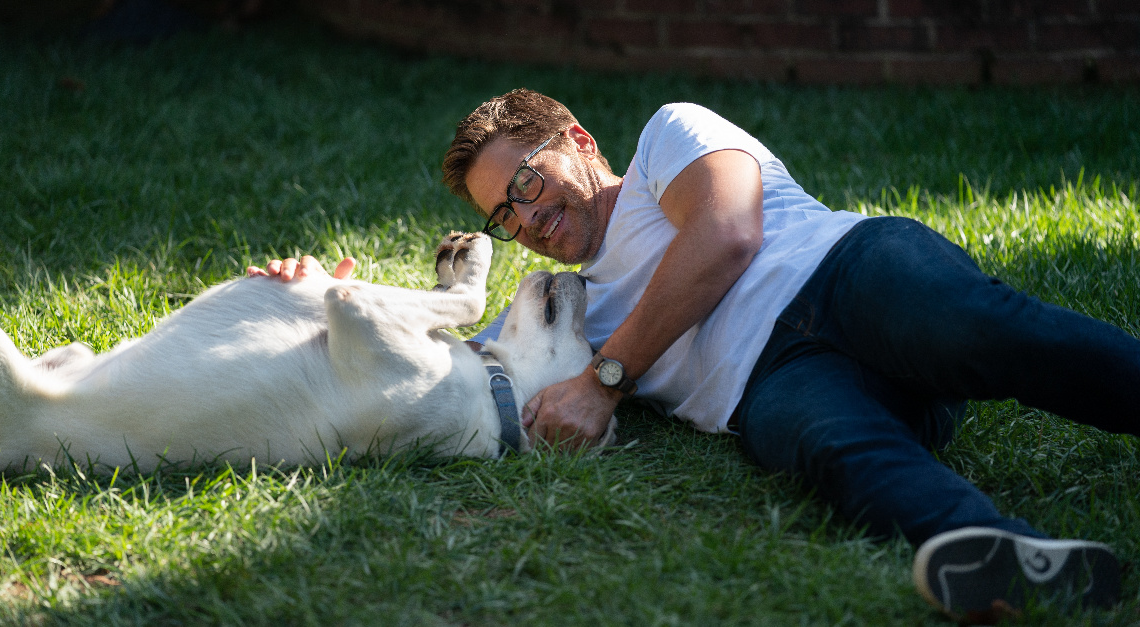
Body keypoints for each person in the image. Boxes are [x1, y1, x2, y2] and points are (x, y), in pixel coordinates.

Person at [431, 88, 1137, 622]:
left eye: (524, 183)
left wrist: (605, 377)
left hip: (847, 274)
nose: (525, 219)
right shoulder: (565, 308)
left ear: (578, 141)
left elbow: (727, 231)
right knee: (838, 449)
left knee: (991, 332)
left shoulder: (666, 139)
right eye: (503, 215)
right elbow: (459, 368)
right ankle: (1018, 564)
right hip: (772, 381)